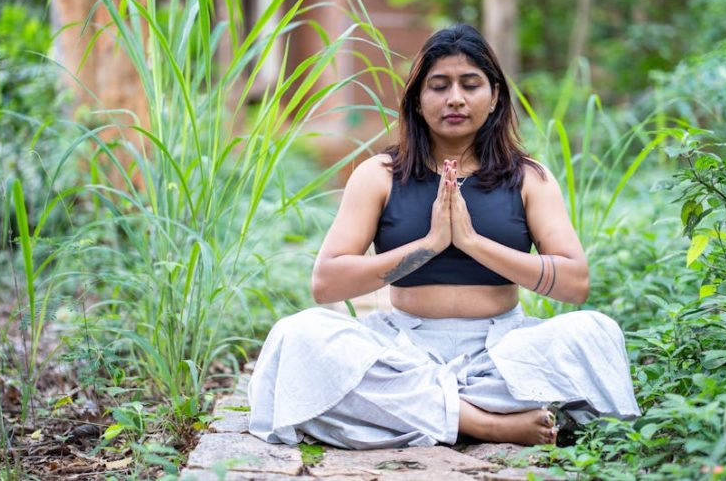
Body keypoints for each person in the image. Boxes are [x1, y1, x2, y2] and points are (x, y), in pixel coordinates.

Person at [248, 24, 640, 450]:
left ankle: (421, 412)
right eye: (439, 85)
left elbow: (576, 284)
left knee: (595, 332)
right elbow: (326, 284)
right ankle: (485, 422)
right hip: (404, 350)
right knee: (300, 336)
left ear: (494, 98)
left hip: (500, 352)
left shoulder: (528, 178)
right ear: (418, 100)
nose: (455, 97)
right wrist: (429, 245)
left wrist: (472, 242)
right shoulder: (379, 175)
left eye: (470, 84)